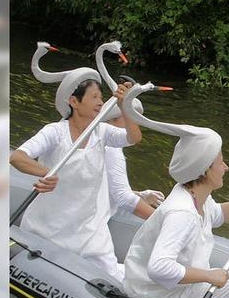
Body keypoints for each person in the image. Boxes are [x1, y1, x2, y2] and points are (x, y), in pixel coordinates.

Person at [121, 90, 229, 298]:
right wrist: (208, 276)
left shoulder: (194, 195)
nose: (226, 167)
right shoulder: (183, 213)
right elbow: (159, 267)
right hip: (155, 296)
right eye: (221, 162)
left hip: (169, 290)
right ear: (204, 170)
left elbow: (218, 215)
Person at [9, 66, 141, 280]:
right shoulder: (55, 132)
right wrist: (46, 172)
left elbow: (133, 138)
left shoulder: (103, 132)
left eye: (101, 97)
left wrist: (123, 105)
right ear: (74, 101)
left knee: (113, 280)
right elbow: (18, 158)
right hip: (47, 227)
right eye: (94, 97)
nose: (100, 102)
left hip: (87, 230)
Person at [102, 101, 165, 220]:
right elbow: (122, 197)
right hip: (96, 220)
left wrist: (140, 196)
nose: (136, 124)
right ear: (113, 119)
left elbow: (108, 188)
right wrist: (163, 220)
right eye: (132, 117)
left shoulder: (97, 137)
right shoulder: (111, 148)